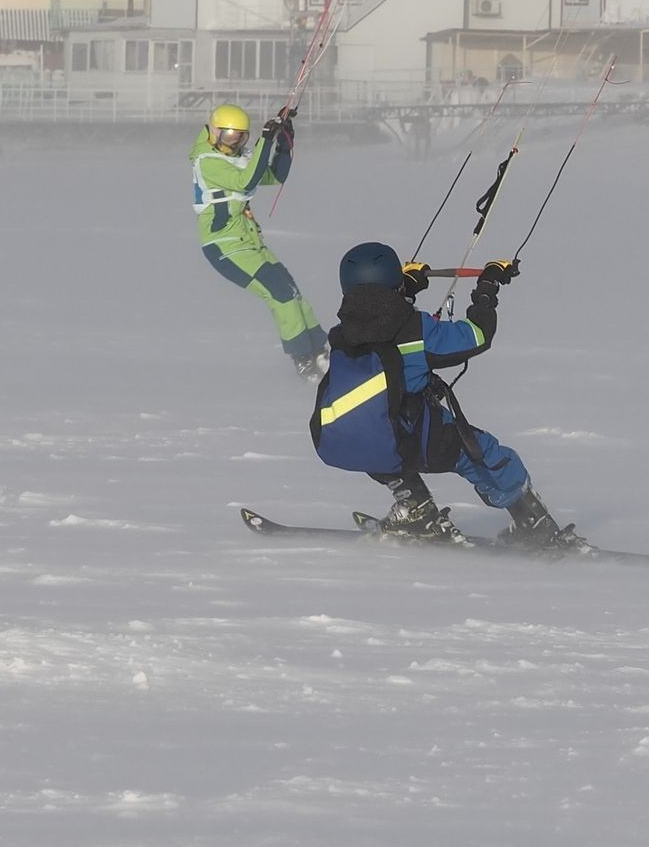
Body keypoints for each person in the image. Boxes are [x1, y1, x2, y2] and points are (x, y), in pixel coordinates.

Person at [307, 240, 576, 547]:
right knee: (484, 453)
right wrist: (487, 289)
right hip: (417, 441)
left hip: (347, 441)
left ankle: (415, 507)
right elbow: (477, 335)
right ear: (394, 283)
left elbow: (379, 316)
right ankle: (534, 524)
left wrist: (406, 288)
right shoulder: (416, 330)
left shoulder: (343, 333)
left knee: (377, 435)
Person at [191, 102, 327, 378]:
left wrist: (283, 140)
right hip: (225, 246)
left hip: (249, 241)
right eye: (229, 136)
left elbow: (274, 175)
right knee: (279, 294)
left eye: (241, 137)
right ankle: (303, 358)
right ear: (214, 132)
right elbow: (245, 181)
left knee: (291, 290)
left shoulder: (238, 156)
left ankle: (320, 349)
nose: (234, 143)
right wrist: (265, 139)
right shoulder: (207, 161)